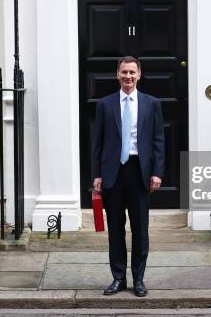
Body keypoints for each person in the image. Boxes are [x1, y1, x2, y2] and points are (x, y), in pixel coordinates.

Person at [91, 55, 165, 297]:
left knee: (140, 229)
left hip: (139, 171)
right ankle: (118, 278)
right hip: (112, 173)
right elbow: (98, 143)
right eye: (124, 72)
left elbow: (158, 142)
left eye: (132, 72)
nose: (128, 76)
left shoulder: (151, 103)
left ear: (139, 75)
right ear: (117, 75)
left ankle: (139, 279)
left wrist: (157, 172)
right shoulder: (105, 104)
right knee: (115, 229)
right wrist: (97, 175)